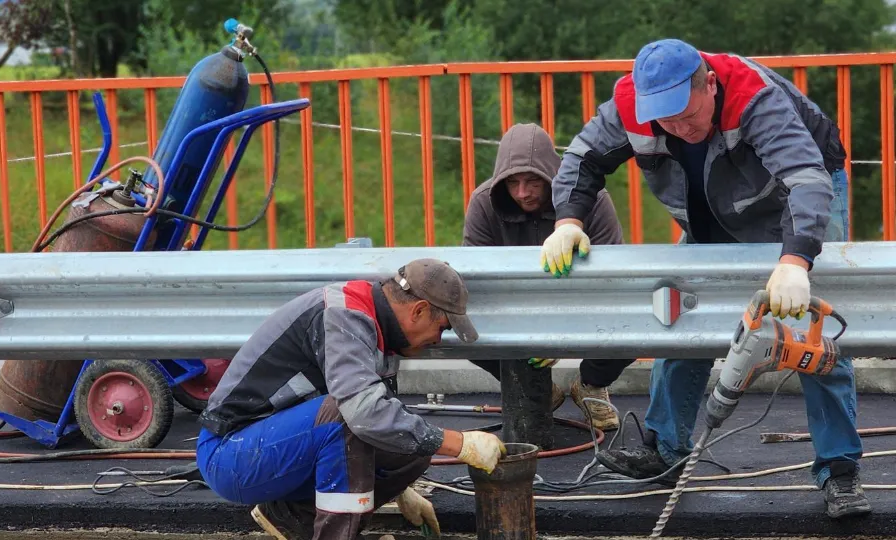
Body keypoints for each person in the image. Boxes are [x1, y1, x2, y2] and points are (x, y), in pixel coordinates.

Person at [541, 38, 868, 519]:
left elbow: (805, 177)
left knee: (809, 331)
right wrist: (568, 221)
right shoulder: (632, 105)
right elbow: (583, 158)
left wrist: (796, 261)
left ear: (710, 85)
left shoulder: (754, 97)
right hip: (709, 204)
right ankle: (665, 450)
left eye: (686, 116)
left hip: (794, 194)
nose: (676, 128)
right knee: (680, 311)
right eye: (665, 120)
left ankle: (840, 470)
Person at [195, 258, 507, 540]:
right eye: (442, 328)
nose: (438, 340)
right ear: (419, 310)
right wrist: (461, 444)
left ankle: (293, 518)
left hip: (271, 446)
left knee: (412, 444)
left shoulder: (380, 327)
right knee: (352, 416)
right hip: (231, 454)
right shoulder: (344, 316)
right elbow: (363, 414)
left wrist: (401, 489)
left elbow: (383, 423)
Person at [462, 122, 636, 431]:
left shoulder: (593, 202)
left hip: (583, 303)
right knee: (460, 327)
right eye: (513, 182)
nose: (522, 193)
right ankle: (536, 388)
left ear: (552, 178)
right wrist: (525, 331)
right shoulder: (483, 203)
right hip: (513, 308)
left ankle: (591, 384)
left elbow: (613, 285)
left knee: (637, 320)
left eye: (533, 182)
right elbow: (475, 287)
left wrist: (562, 333)